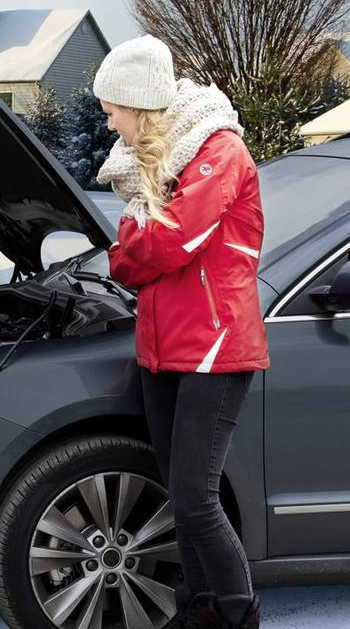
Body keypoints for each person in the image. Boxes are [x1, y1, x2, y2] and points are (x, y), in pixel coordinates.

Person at [96, 35, 269, 629]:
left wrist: (131, 249)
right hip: (163, 348)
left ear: (139, 104)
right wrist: (133, 248)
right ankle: (199, 615)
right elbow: (135, 248)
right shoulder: (156, 162)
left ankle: (239, 618)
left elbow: (166, 242)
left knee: (197, 500)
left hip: (216, 348)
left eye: (112, 107)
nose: (107, 118)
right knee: (184, 498)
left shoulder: (219, 151)